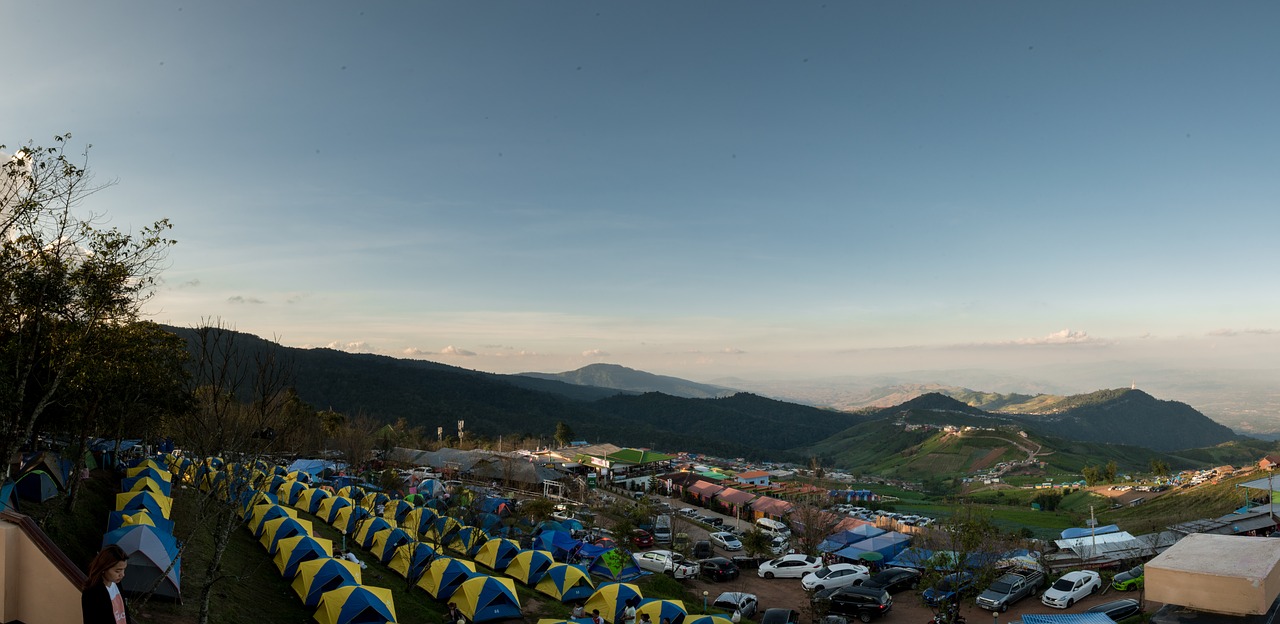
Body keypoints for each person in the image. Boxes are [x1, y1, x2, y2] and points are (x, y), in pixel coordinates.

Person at [82, 544, 133, 624]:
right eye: (118, 571)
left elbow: (124, 612)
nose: (122, 574)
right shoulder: (92, 593)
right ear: (104, 568)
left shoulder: (117, 583)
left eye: (124, 569)